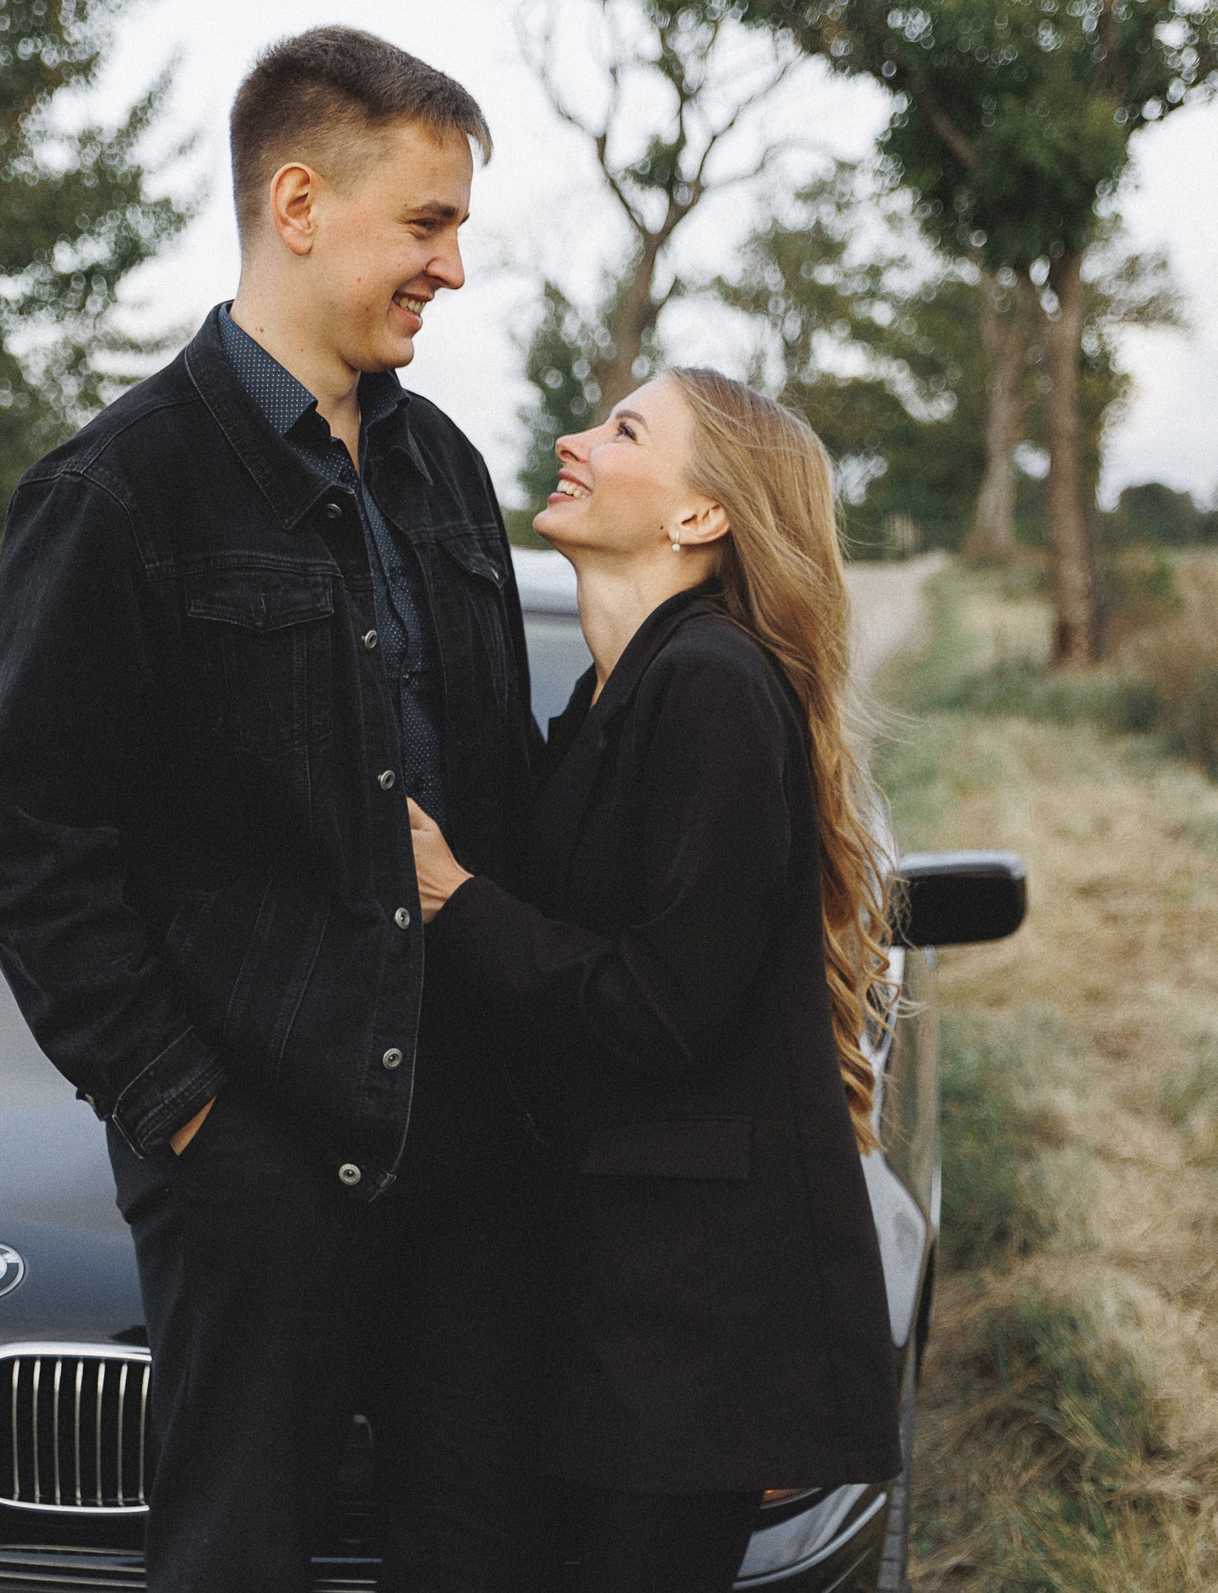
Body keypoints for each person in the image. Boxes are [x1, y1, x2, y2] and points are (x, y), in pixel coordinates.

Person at [0, 27, 540, 1591]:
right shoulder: (119, 490)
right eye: (428, 224)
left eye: (458, 229)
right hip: (255, 1173)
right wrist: (190, 1115)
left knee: (484, 1555)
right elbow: (24, 844)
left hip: (466, 1158)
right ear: (298, 204)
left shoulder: (450, 479)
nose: (454, 268)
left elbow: (506, 787)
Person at [407, 367, 903, 1593]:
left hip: (691, 1327)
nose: (576, 437)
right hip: (626, 1310)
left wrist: (453, 897)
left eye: (624, 428)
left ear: (700, 516)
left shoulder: (714, 686)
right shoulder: (615, 690)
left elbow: (665, 1004)